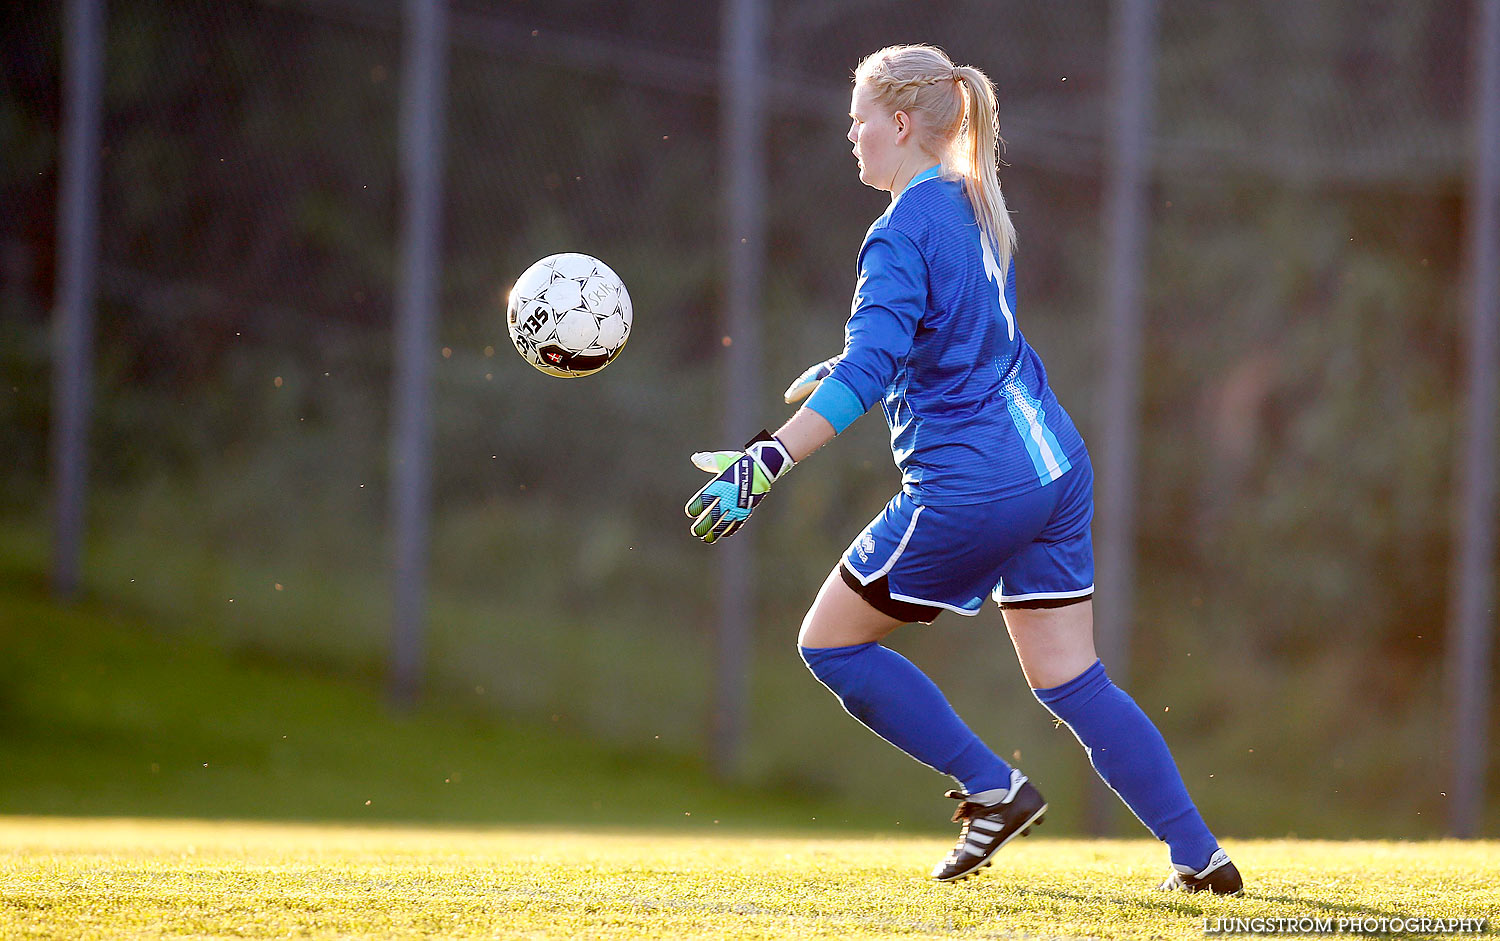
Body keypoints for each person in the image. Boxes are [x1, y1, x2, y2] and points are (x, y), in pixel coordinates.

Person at [684, 44, 1242, 895]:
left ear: (901, 123)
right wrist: (844, 368)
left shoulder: (897, 231)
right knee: (1073, 679)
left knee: (828, 643)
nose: (851, 131)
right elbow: (939, 336)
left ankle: (994, 786)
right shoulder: (971, 198)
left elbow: (876, 369)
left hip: (976, 484)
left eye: (861, 117)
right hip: (1054, 464)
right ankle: (1201, 856)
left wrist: (764, 459)